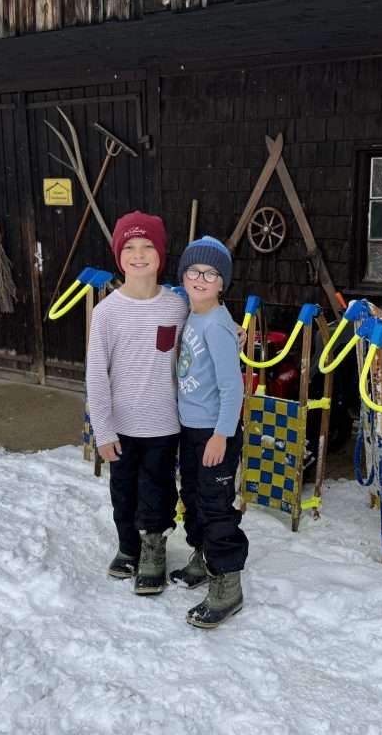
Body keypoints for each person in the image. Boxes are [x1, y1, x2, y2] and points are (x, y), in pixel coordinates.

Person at [85, 211, 187, 596]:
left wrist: (234, 336)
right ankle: (129, 546)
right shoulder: (106, 312)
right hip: (123, 426)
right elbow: (96, 374)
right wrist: (103, 429)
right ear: (118, 255)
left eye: (148, 246)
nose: (139, 254)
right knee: (123, 490)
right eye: (130, 247)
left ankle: (154, 550)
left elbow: (202, 342)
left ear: (161, 255)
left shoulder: (178, 307)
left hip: (164, 423)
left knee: (158, 489)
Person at [171, 236, 247, 628]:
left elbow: (233, 388)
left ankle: (228, 584)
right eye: (193, 271)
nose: (200, 278)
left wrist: (222, 434)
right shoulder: (191, 312)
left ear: (222, 282)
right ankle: (201, 558)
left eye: (210, 273)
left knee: (216, 506)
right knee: (194, 498)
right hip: (190, 427)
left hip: (215, 432)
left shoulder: (216, 324)